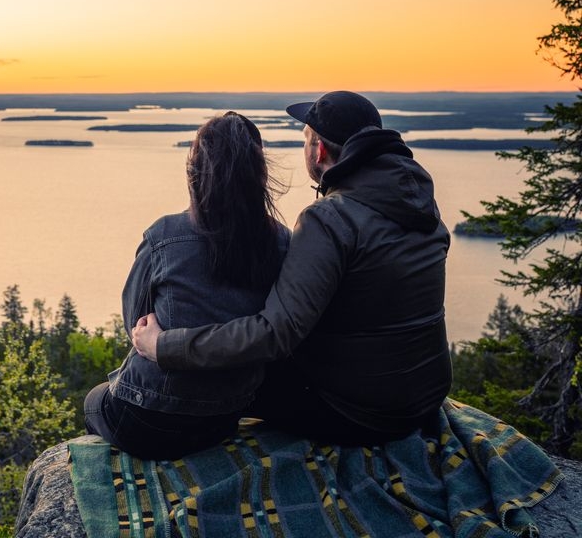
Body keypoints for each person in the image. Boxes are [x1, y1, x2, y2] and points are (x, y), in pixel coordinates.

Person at [133, 91, 453, 446]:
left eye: (305, 139)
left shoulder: (331, 219)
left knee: (232, 380)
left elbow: (274, 334)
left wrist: (165, 346)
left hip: (359, 413)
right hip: (423, 399)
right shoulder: (422, 208)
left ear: (319, 150)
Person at [84, 112, 291, 459]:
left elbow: (135, 323)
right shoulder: (282, 241)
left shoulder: (164, 234)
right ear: (259, 175)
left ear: (195, 172)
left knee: (93, 400)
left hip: (146, 417)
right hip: (222, 419)